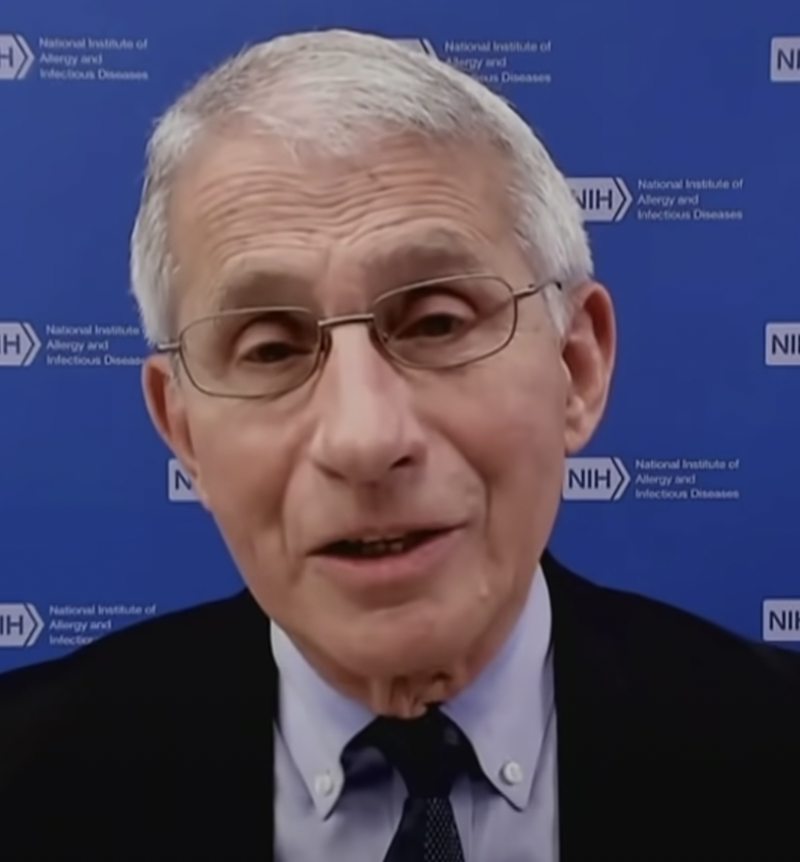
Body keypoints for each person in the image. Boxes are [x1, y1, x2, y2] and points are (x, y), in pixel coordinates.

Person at [0, 28, 798, 861]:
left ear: (577, 366)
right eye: (270, 349)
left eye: (436, 323)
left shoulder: (772, 748)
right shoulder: (27, 782)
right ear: (183, 430)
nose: (364, 438)